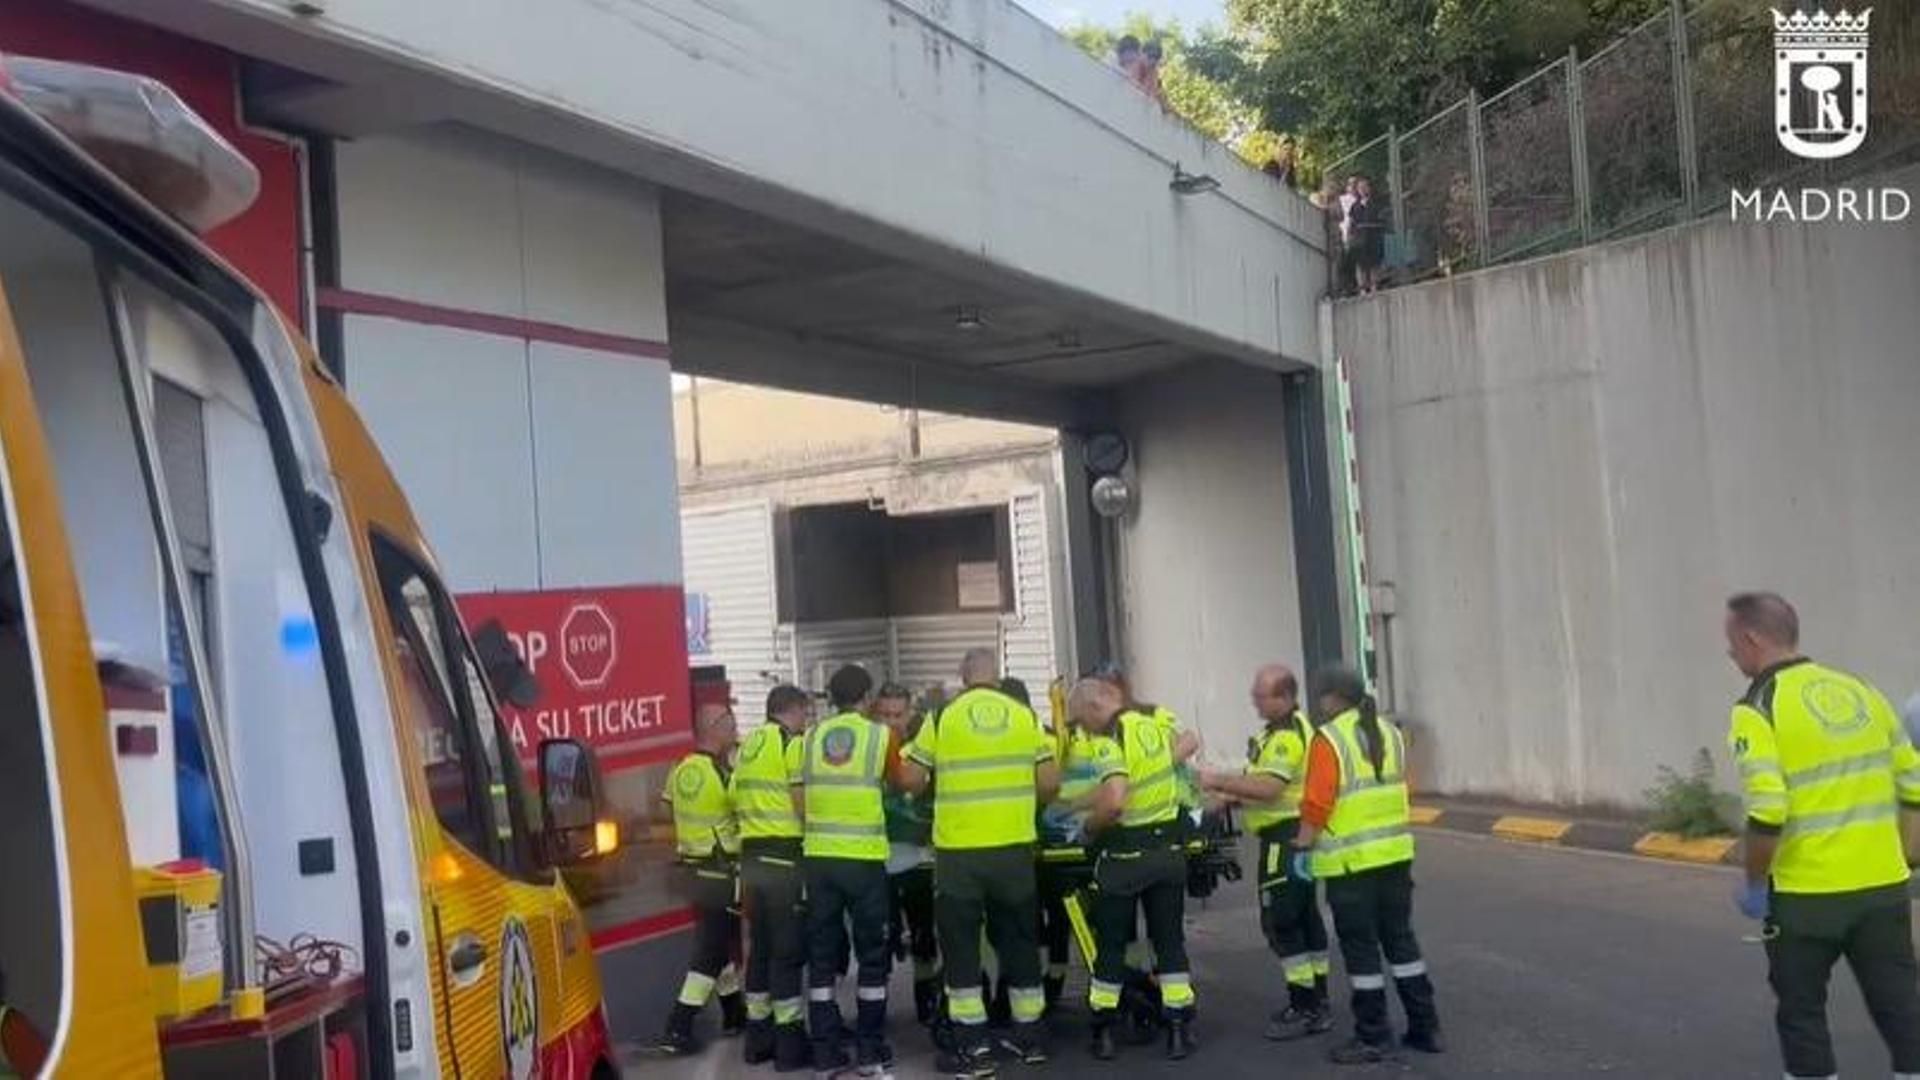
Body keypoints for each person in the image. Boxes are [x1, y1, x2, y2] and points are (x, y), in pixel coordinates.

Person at [1721, 592, 1920, 1080]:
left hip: (1805, 898)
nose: (1730, 655)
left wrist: (1755, 883)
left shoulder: (1756, 708)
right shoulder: (1863, 691)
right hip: (1883, 890)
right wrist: (1907, 856)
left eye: (1731, 644)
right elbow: (1914, 783)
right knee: (1902, 1008)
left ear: (1751, 639)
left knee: (1802, 1014)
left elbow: (1769, 808)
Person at [901, 648, 1059, 1076]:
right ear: (997, 675)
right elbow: (1050, 783)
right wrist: (1021, 805)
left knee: (962, 947)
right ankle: (1031, 1038)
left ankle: (974, 1045)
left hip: (960, 855)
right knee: (1020, 941)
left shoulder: (942, 718)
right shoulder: (1024, 717)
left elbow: (912, 779)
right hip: (1013, 850)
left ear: (963, 676)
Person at [1293, 667, 1441, 1065]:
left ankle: (1373, 1035)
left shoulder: (1329, 738)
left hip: (1351, 866)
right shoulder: (1390, 733)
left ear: (1331, 697)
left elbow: (1317, 803)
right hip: (1394, 857)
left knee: (1361, 951)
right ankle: (1426, 1026)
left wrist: (1302, 847)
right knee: (1401, 941)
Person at [1067, 677, 1197, 1061]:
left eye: (1081, 721)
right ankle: (1178, 1027)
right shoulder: (1154, 727)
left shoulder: (1110, 740)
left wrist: (1087, 828)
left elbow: (1114, 803)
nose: (1083, 730)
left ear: (1094, 707)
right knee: (1169, 943)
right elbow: (1157, 771)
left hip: (1124, 859)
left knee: (1111, 947)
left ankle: (1104, 1030)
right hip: (1167, 853)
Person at [1198, 664, 1331, 1040]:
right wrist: (1232, 799)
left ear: (1284, 697)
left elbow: (1270, 788)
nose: (1254, 702)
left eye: (1261, 696)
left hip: (1284, 839)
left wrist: (1218, 781)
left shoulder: (1287, 737)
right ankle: (1317, 1000)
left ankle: (1305, 1005)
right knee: (1305, 917)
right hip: (1295, 835)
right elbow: (1267, 784)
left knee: (1281, 921)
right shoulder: (1281, 731)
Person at [798, 666, 896, 1078]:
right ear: (867, 697)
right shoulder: (879, 736)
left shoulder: (809, 739)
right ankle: (870, 1052)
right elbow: (903, 781)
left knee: (821, 957)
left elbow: (800, 799)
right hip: (863, 860)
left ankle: (824, 1052)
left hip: (819, 859)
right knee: (872, 956)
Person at [654, 702, 747, 1054]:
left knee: (720, 942)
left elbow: (664, 808)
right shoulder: (722, 773)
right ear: (716, 728)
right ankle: (678, 1026)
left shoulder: (680, 770)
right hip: (720, 870)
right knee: (712, 951)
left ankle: (733, 1012)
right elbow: (742, 809)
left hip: (694, 868)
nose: (735, 733)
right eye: (732, 726)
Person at [731, 685, 813, 1072]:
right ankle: (790, 1044)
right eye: (805, 713)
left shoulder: (748, 746)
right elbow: (800, 801)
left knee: (761, 948)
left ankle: (758, 1039)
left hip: (751, 855)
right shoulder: (790, 744)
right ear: (793, 710)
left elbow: (735, 796)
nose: (806, 721)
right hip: (783, 854)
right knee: (787, 951)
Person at [875, 683, 942, 1026]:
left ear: (910, 714)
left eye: (898, 715)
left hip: (918, 858)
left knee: (923, 932)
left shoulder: (923, 751)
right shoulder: (869, 751)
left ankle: (925, 996)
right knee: (878, 936)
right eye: (885, 715)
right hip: (878, 858)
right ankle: (876, 1003)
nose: (892, 722)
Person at [1347, 176, 1388, 296]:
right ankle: (1363, 288)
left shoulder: (1376, 204)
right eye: (1360, 187)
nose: (1363, 189)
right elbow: (1351, 222)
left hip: (1374, 236)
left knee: (1375, 262)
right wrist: (1350, 237)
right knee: (1361, 264)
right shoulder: (1355, 206)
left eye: (1365, 187)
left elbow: (1382, 218)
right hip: (1360, 238)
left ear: (1369, 188)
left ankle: (1374, 285)